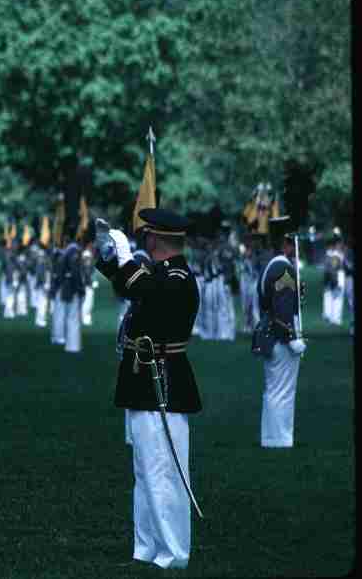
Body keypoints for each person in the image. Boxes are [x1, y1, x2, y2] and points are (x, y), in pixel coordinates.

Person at [96, 208, 202, 570]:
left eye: (145, 237)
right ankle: (147, 546)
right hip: (144, 378)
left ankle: (172, 552)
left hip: (163, 382)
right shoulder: (160, 274)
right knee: (145, 470)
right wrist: (109, 258)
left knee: (163, 471)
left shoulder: (177, 276)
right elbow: (130, 286)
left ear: (154, 239)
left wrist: (127, 258)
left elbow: (146, 289)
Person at [254, 216, 306, 448]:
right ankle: (279, 440)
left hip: (269, 335)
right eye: (292, 241)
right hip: (279, 338)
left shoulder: (270, 265)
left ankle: (271, 438)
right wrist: (292, 338)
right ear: (286, 243)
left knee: (273, 389)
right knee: (282, 391)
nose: (295, 247)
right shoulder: (284, 268)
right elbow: (283, 309)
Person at [322, 233, 344, 326]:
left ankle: (329, 316)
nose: (341, 245)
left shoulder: (331, 253)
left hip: (330, 276)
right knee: (337, 297)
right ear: (337, 244)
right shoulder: (336, 254)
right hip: (337, 275)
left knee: (329, 296)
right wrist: (335, 280)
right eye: (340, 243)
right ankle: (335, 318)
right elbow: (335, 268)